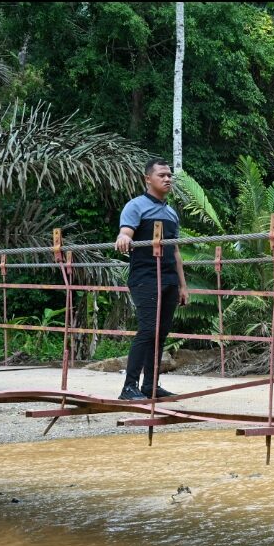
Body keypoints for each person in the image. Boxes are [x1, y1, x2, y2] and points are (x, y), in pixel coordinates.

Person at [114, 158, 189, 400]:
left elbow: (175, 251)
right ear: (148, 179)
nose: (167, 179)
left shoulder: (171, 213)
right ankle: (129, 387)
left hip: (169, 279)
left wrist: (183, 286)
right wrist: (124, 238)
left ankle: (150, 386)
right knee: (147, 330)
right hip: (145, 277)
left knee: (161, 333)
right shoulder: (136, 206)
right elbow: (126, 232)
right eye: (162, 175)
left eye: (169, 175)